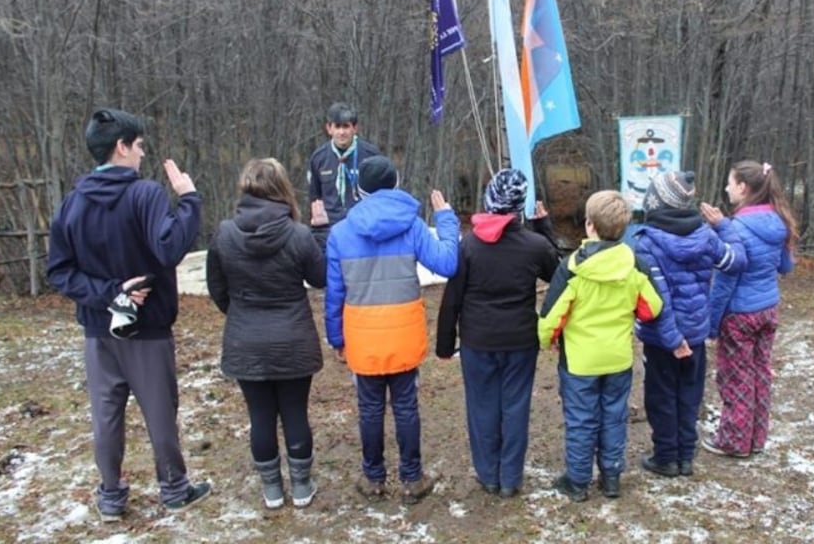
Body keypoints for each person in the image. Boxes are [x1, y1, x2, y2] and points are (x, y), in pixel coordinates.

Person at [47, 108, 211, 521]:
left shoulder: (72, 203)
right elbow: (169, 248)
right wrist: (189, 199)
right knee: (159, 412)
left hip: (97, 331)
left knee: (105, 417)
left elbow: (60, 271)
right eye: (138, 146)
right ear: (121, 147)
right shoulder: (146, 194)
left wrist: (105, 295)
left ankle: (111, 498)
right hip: (147, 329)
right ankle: (174, 488)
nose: (141, 155)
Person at [324, 155, 458, 504]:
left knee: (369, 408)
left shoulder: (340, 233)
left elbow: (335, 293)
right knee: (406, 407)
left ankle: (373, 478)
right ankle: (412, 479)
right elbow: (447, 263)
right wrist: (445, 219)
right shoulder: (412, 226)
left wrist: (336, 338)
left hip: (362, 335)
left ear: (359, 189)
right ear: (396, 182)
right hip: (404, 333)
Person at [205, 158, 326, 509]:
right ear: (282, 189)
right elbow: (321, 278)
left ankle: (272, 489)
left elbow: (217, 288)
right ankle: (301, 486)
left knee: (259, 416)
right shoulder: (298, 234)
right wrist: (319, 232)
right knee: (295, 412)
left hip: (246, 339)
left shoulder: (225, 233)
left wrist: (242, 314)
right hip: (293, 338)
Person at [436, 169, 559, 499]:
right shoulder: (535, 245)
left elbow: (453, 298)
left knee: (482, 407)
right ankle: (509, 478)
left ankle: (489, 474)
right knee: (515, 407)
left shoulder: (470, 245)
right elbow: (561, 277)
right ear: (520, 204)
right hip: (519, 341)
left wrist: (445, 344)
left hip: (479, 341)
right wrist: (543, 228)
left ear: (490, 200)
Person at [538, 190, 663, 502]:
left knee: (581, 421)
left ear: (589, 225)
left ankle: (578, 481)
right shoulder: (635, 264)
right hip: (618, 360)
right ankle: (611, 478)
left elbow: (548, 322)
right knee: (614, 417)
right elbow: (653, 307)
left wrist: (550, 340)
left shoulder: (572, 268)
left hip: (580, 363)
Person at [632, 171, 745, 478]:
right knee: (689, 394)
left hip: (661, 338)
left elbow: (659, 297)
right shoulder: (707, 235)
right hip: (694, 333)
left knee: (661, 396)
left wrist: (671, 339)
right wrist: (724, 228)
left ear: (654, 203)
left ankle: (668, 457)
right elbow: (735, 260)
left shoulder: (646, 242)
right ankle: (685, 456)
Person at [699, 160, 798, 458]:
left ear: (743, 187)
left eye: (730, 182)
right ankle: (756, 438)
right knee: (760, 374)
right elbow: (785, 265)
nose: (727, 188)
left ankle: (734, 441)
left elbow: (724, 285)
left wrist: (712, 325)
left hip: (740, 314)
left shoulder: (736, 229)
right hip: (768, 309)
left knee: (736, 377)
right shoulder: (779, 221)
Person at [306, 102, 381, 250]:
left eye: (346, 126)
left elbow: (380, 198)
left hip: (363, 232)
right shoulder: (318, 158)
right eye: (337, 127)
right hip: (330, 234)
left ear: (355, 128)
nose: (341, 132)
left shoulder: (371, 156)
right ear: (329, 128)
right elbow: (315, 199)